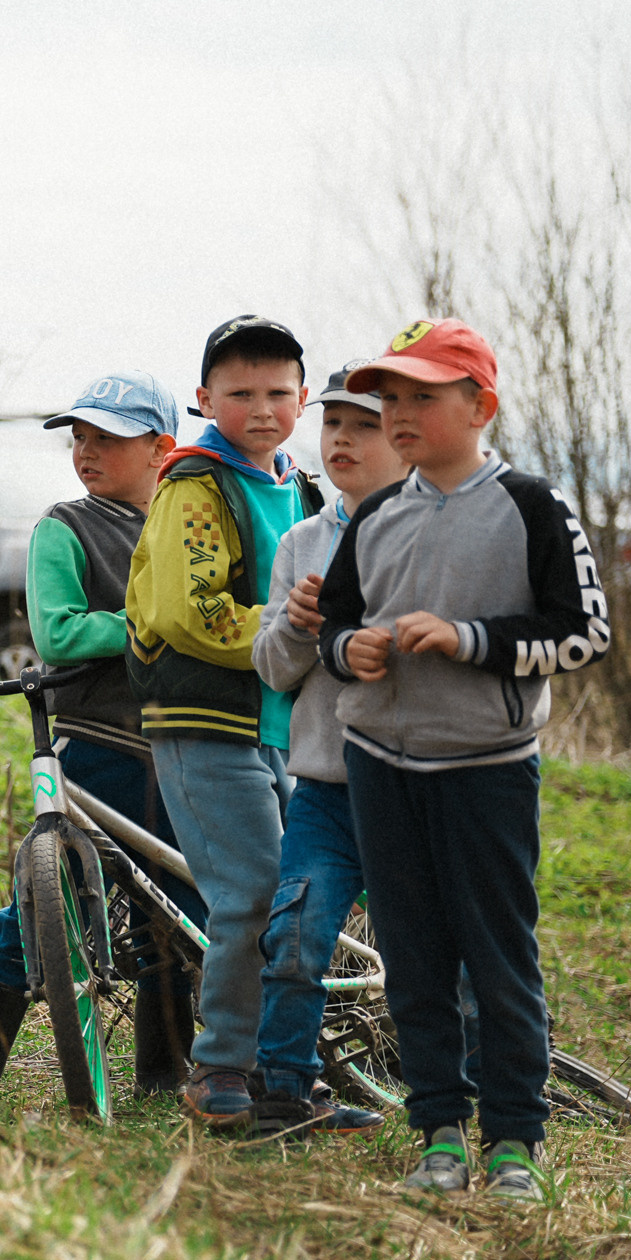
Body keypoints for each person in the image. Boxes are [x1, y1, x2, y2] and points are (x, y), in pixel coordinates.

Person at [317, 319, 609, 1201]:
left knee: (496, 954)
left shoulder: (533, 506)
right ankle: (438, 1134)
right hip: (379, 764)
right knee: (411, 957)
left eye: (423, 396)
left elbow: (585, 633)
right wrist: (348, 652)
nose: (398, 413)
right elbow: (333, 625)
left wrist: (469, 639)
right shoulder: (374, 515)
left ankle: (515, 1141)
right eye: (389, 397)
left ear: (481, 407)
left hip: (487, 767)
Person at [0, 370, 211, 1112]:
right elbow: (57, 634)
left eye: (106, 439)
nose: (85, 452)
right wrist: (156, 627)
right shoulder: (65, 526)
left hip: (182, 751)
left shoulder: (188, 526)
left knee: (175, 913)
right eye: (79, 438)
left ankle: (164, 1073)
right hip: (95, 746)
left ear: (161, 448)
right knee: (39, 901)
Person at [123, 315, 320, 1128]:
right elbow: (192, 611)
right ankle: (221, 1067)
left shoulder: (302, 488)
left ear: (304, 398)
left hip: (285, 727)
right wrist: (294, 632)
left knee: (302, 897)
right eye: (241, 394)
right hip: (205, 719)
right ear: (205, 400)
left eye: (278, 392)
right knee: (252, 894)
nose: (262, 409)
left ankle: (287, 1072)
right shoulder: (196, 486)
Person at [245, 363, 407, 1138]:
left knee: (444, 954)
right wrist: (297, 624)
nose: (342, 439)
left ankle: (475, 1100)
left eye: (364, 426)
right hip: (325, 792)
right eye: (333, 423)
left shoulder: (429, 532)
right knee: (295, 940)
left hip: (416, 788)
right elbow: (273, 670)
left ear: (406, 438)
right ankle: (284, 1095)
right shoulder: (301, 541)